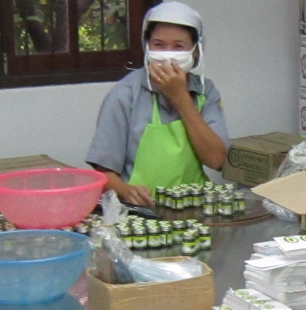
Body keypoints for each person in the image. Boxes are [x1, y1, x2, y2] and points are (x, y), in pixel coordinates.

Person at [87, 1, 229, 207]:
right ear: (147, 46)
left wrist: (181, 98)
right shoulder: (125, 95)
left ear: (195, 51)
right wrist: (127, 191)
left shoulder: (206, 93)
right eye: (158, 45)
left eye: (178, 46)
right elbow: (103, 173)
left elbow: (216, 160)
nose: (167, 54)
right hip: (141, 213)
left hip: (194, 208)